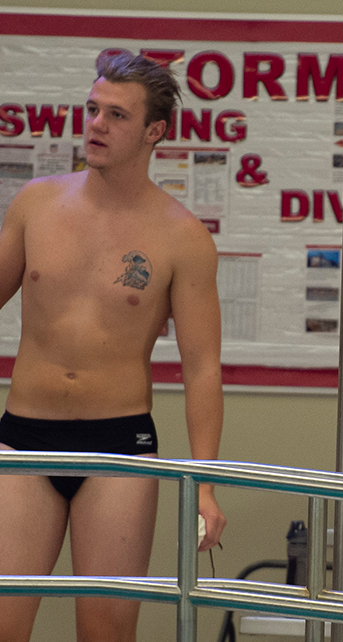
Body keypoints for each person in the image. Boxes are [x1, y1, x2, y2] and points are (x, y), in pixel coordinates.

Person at [0, 53, 225, 642]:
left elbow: (201, 369)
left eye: (117, 115)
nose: (96, 125)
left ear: (155, 131)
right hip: (24, 438)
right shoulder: (37, 204)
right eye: (93, 109)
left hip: (118, 446)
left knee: (105, 631)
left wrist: (204, 482)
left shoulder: (182, 235)